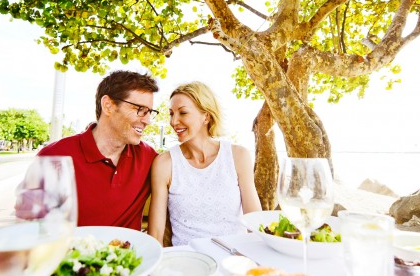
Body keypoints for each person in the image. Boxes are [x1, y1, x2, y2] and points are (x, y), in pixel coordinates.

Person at [32, 70, 159, 230]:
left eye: (150, 112)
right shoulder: (52, 157)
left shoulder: (149, 158)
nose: (147, 121)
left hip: (130, 254)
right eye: (140, 109)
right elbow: (31, 226)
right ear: (108, 105)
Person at [147, 81, 262, 246]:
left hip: (234, 260)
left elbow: (255, 223)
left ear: (206, 116)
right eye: (171, 114)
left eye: (183, 113)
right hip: (187, 263)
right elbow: (156, 234)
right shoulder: (165, 163)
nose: (173, 121)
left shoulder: (238, 156)